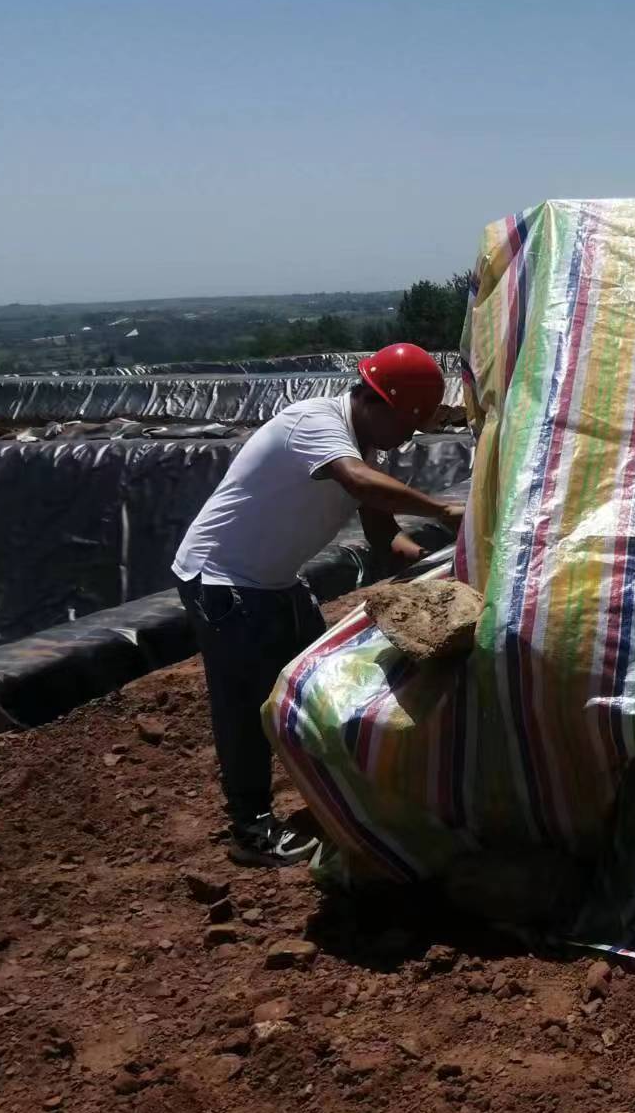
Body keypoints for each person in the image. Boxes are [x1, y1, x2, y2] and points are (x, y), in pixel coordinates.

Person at [172, 343, 465, 866]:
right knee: (246, 704)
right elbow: (357, 482)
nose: (406, 439)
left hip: (273, 581)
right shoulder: (315, 422)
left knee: (319, 681)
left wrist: (441, 567)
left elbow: (385, 535)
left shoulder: (363, 446)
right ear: (376, 402)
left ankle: (338, 797)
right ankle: (251, 830)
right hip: (221, 581)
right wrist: (443, 511)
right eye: (406, 424)